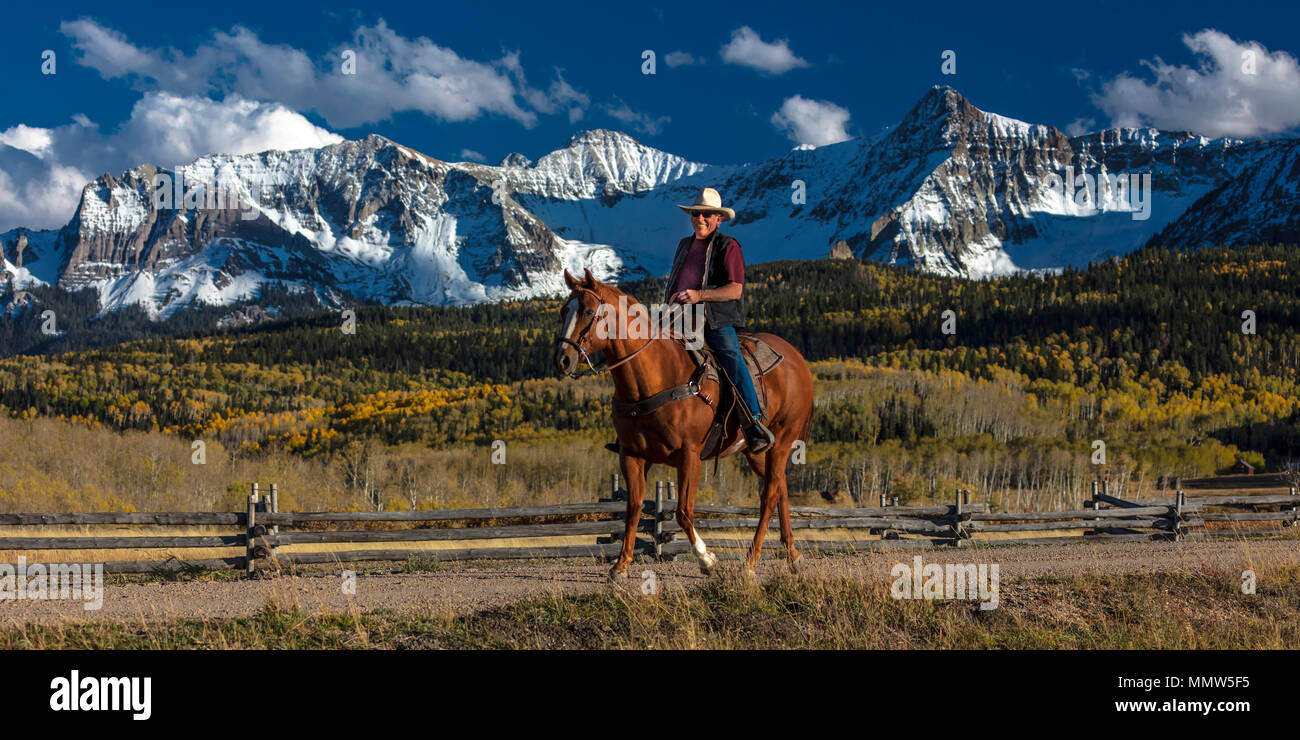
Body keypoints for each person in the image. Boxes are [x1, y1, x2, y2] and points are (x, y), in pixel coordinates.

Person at [605, 187, 775, 454]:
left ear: (718, 218)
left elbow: (735, 289)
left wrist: (699, 295)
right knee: (643, 354)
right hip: (678, 317)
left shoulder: (728, 246)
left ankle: (753, 423)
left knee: (731, 356)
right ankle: (634, 427)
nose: (701, 219)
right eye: (696, 214)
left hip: (715, 320)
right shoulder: (684, 245)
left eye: (707, 215)